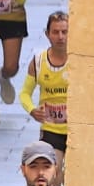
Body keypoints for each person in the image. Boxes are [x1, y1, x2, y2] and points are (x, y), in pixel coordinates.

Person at [23, 9, 71, 154]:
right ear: (47, 34)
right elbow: (25, 93)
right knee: (54, 175)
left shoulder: (80, 62)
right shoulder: (38, 62)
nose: (60, 37)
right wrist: (32, 110)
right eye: (55, 32)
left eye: (64, 32)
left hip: (77, 130)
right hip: (51, 129)